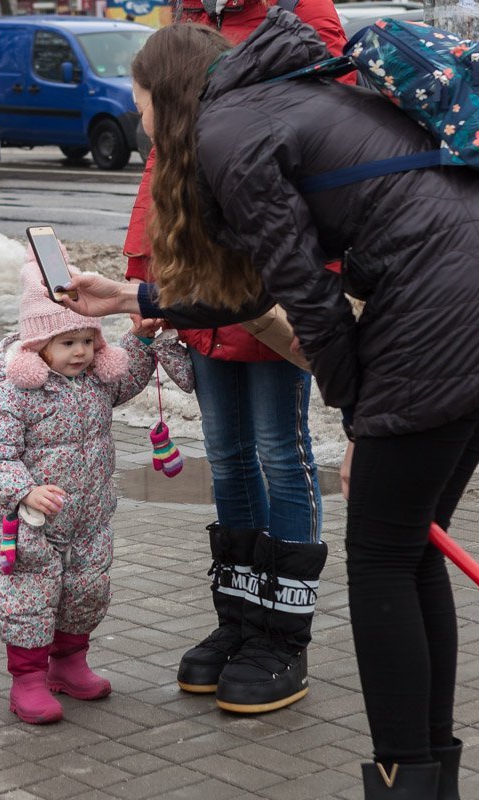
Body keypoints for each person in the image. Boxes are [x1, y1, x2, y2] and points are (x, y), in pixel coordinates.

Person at [59, 16, 479, 798]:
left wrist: (365, 420)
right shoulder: (285, 98)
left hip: (443, 315)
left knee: (383, 562)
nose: (140, 119)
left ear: (165, 91)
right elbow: (255, 286)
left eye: (140, 100)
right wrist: (140, 295)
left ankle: (406, 778)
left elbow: (310, 299)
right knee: (413, 549)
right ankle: (429, 775)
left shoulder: (228, 133)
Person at [125, 0, 351, 715]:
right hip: (199, 275)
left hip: (270, 278)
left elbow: (312, 146)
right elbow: (163, 159)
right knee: (224, 454)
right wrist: (145, 266)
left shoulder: (300, 15)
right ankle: (241, 620)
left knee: (279, 451)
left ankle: (285, 636)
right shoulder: (184, 17)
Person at [0, 259, 194, 725]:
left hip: (91, 516)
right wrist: (24, 492)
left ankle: (69, 663)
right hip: (35, 522)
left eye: (87, 341)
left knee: (87, 590)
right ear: (39, 346)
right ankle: (28, 680)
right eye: (67, 343)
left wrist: (138, 340)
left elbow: (129, 379)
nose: (80, 353)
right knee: (31, 597)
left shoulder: (94, 379)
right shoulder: (15, 390)